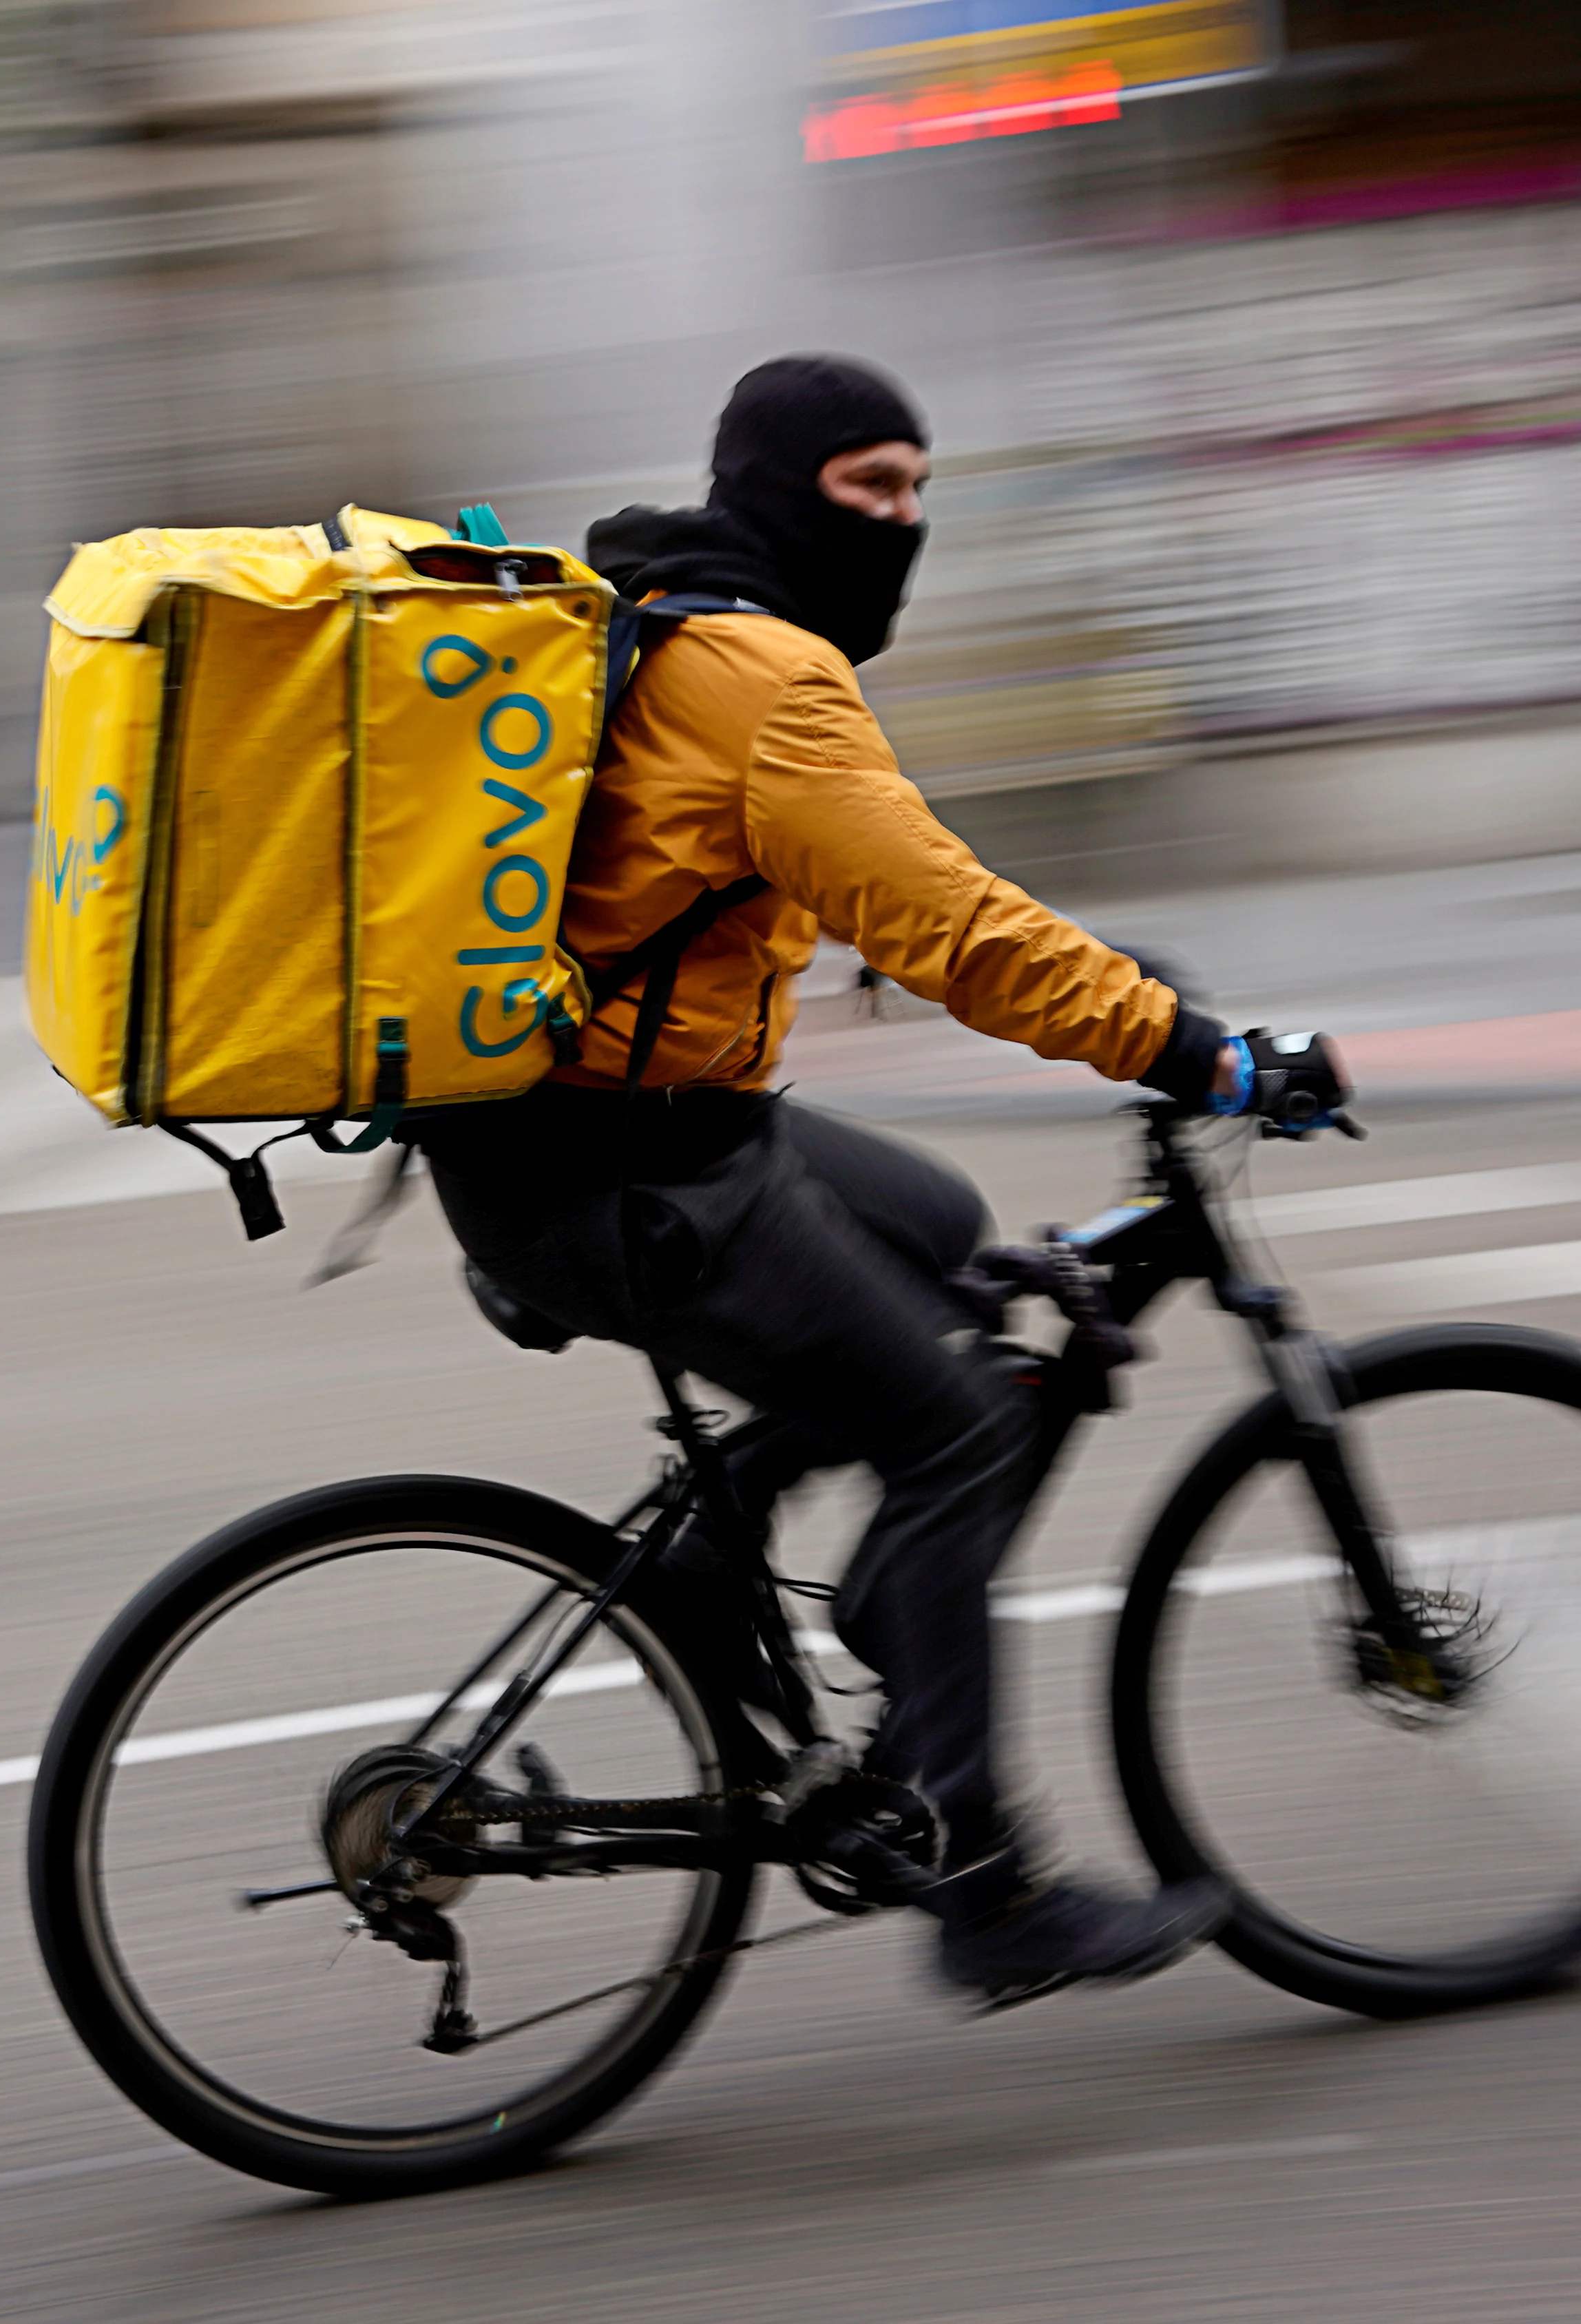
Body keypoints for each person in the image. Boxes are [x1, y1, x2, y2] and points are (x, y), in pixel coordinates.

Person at [415, 355, 1250, 2009]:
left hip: (576, 1136)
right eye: (873, 488)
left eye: (921, 490)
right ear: (780, 485)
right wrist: (1193, 1051)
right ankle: (987, 1885)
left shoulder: (652, 610)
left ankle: (716, 1564)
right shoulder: (765, 675)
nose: (905, 522)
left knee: (939, 1229)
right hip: (633, 1177)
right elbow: (941, 922)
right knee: (958, 1432)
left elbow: (867, 886)